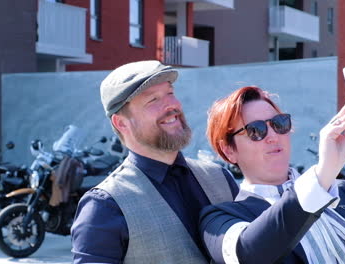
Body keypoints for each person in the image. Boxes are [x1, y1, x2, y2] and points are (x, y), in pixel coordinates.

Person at [200, 85, 345, 263]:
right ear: (229, 150)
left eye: (279, 124)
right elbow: (248, 254)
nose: (273, 136)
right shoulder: (218, 218)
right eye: (255, 130)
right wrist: (323, 174)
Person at [71, 60, 239, 264]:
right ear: (121, 122)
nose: (172, 105)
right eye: (153, 99)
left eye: (170, 93)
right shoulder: (104, 206)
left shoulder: (220, 178)